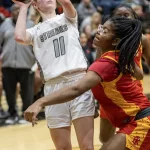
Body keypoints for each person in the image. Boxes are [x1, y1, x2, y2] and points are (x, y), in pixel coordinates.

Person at [24, 16, 150, 150]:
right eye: (101, 27)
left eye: (105, 31)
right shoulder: (114, 56)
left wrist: (40, 102)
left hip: (140, 122)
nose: (99, 31)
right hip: (133, 121)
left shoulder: (107, 63)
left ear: (116, 41)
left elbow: (76, 89)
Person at [13, 0, 95, 149]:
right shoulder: (35, 31)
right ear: (36, 5)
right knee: (62, 147)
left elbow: (66, 2)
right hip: (53, 87)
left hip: (78, 81)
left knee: (87, 147)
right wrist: (24, 8)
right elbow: (19, 36)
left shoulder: (67, 17)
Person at [96, 4, 150, 145]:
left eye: (126, 15)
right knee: (104, 138)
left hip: (130, 93)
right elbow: (97, 65)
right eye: (118, 16)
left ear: (133, 17)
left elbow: (140, 73)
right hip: (109, 92)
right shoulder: (106, 40)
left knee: (134, 132)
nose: (122, 18)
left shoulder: (142, 40)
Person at [0, 4, 35, 125]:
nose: (16, 12)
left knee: (27, 92)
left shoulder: (31, 25)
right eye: (14, 10)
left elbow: (37, 46)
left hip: (26, 63)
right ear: (11, 12)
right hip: (8, 64)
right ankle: (12, 114)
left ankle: (26, 115)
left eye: (19, 10)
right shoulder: (4, 25)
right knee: (9, 91)